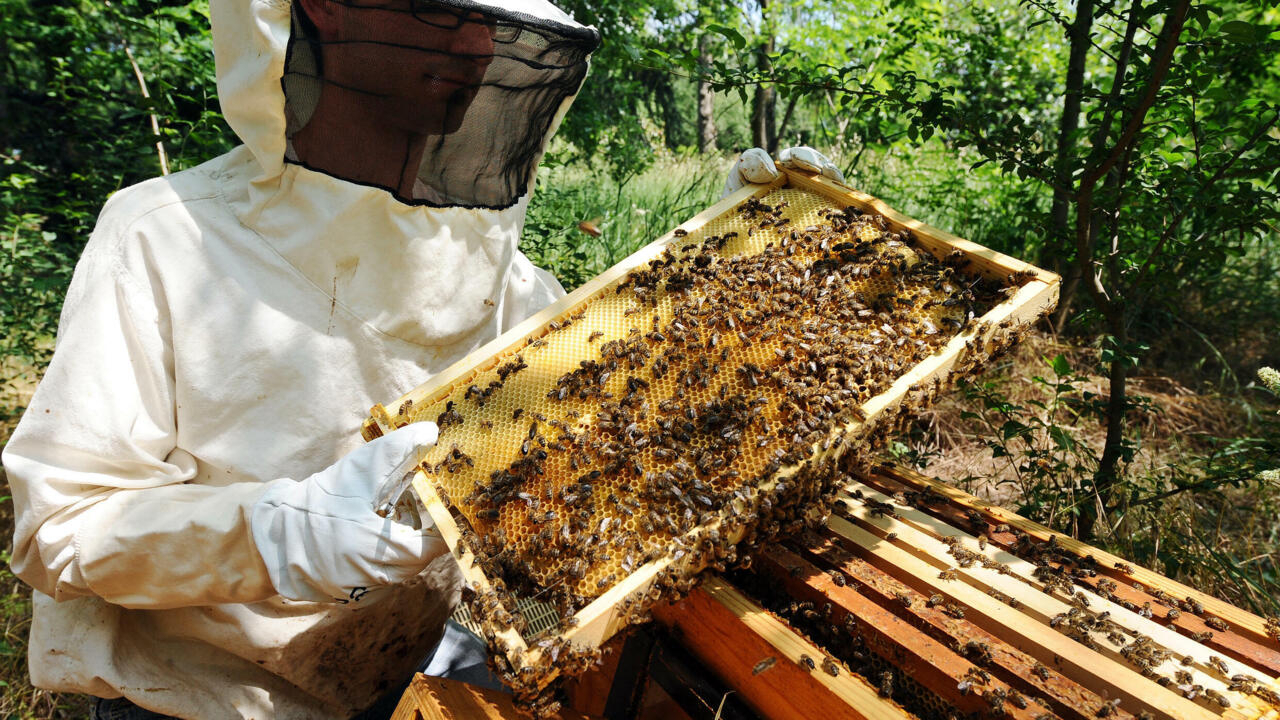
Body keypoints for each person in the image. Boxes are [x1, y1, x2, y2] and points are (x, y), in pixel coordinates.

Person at [3, 0, 843, 715]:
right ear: (323, 5)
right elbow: (59, 530)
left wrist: (726, 281)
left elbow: (614, 434)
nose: (478, 48)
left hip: (410, 683)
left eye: (501, 27)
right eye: (443, 13)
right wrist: (278, 534)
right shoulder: (163, 236)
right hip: (198, 700)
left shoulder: (508, 281)